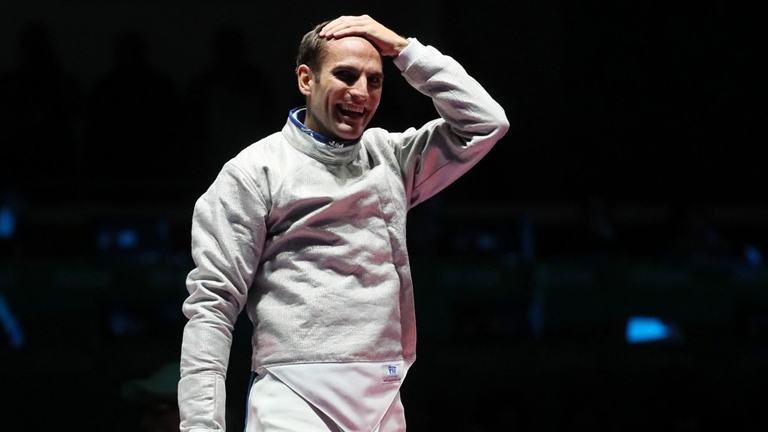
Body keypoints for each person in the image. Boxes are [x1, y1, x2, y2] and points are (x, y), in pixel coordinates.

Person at [178, 15, 509, 432]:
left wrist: (403, 49)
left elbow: (486, 123)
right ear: (306, 79)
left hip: (384, 394)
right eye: (346, 75)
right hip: (295, 398)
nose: (361, 93)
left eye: (375, 80)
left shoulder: (391, 157)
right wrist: (201, 425)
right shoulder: (255, 171)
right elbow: (212, 305)